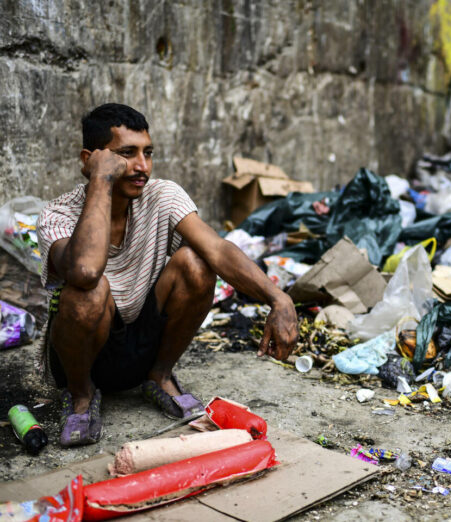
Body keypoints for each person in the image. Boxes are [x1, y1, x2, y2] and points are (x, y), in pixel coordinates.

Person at [37, 103, 298, 447]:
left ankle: (158, 376)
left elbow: (218, 250)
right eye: (126, 154)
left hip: (142, 342)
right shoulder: (56, 214)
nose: (142, 166)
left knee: (196, 262)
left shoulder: (162, 196)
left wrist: (279, 299)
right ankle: (81, 396)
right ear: (90, 159)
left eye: (148, 153)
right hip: (83, 354)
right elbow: (84, 271)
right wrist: (101, 180)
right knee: (89, 289)